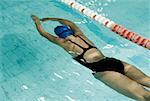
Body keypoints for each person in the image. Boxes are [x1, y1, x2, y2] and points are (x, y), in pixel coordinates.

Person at [31, 15, 150, 101]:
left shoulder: (64, 43)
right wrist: (53, 19)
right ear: (69, 31)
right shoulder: (80, 35)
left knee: (144, 96)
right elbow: (70, 23)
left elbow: (44, 34)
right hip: (112, 61)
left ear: (60, 36)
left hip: (104, 72)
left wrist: (37, 22)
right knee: (146, 80)